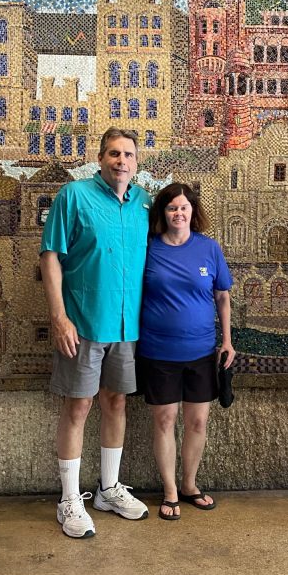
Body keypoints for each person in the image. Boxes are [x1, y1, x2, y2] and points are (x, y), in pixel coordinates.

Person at [40, 128, 151, 538]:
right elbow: (50, 257)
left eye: (129, 155)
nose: (121, 161)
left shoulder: (143, 203)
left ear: (136, 162)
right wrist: (59, 316)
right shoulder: (74, 196)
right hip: (83, 322)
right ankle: (69, 499)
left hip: (126, 325)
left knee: (117, 402)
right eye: (114, 154)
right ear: (100, 159)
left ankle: (108, 489)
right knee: (77, 407)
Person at [136, 183, 235, 520]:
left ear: (193, 212)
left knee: (197, 421)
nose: (178, 213)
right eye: (171, 208)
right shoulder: (148, 248)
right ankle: (169, 491)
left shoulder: (209, 249)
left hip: (202, 351)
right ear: (162, 213)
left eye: (184, 207)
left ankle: (190, 485)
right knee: (164, 420)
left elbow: (222, 296)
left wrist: (227, 341)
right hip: (158, 351)